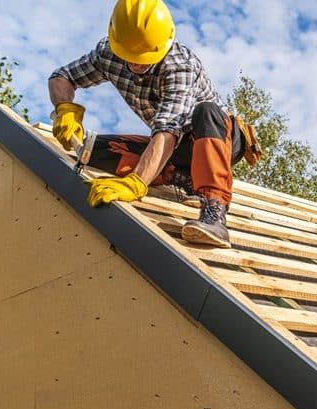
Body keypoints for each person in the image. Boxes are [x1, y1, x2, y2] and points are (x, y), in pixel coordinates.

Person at [48, 0, 239, 247]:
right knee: (90, 149)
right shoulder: (108, 54)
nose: (137, 63)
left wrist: (137, 182)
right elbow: (61, 77)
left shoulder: (179, 66)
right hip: (176, 150)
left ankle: (214, 212)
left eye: (146, 56)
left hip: (215, 139)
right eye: (130, 55)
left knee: (206, 111)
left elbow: (168, 130)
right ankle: (182, 178)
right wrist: (65, 109)